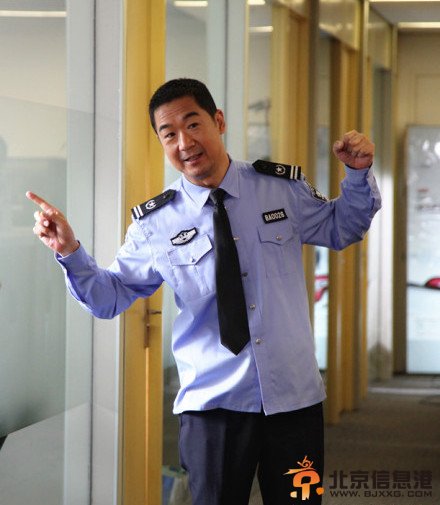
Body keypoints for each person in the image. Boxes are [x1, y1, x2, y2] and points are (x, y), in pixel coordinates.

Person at [28, 78, 381, 505]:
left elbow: (343, 227)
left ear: (219, 121)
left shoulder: (281, 188)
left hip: (293, 400)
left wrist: (357, 175)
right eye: (169, 134)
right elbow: (109, 297)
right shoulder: (155, 223)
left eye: (193, 124)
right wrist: (69, 251)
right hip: (212, 409)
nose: (184, 142)